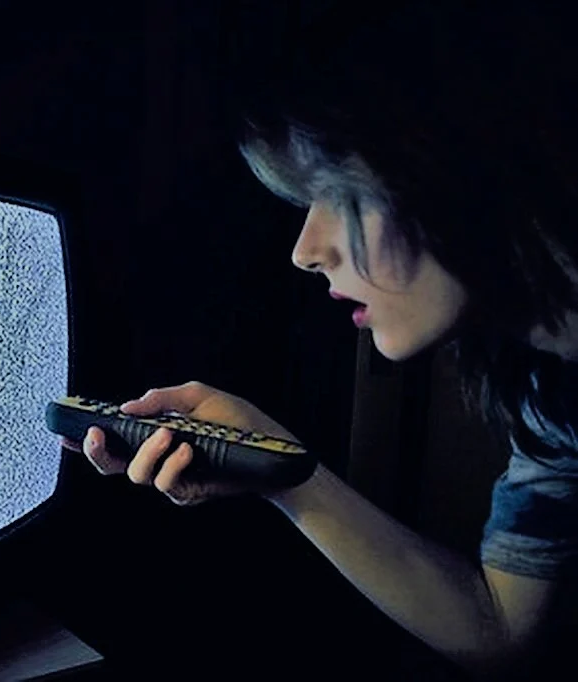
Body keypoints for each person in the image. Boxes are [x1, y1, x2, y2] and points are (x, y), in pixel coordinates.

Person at [62, 3, 577, 680]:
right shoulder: (550, 397)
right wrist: (280, 468)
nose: (304, 250)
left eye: (334, 190)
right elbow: (498, 630)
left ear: (461, 156)